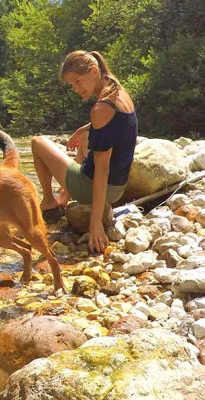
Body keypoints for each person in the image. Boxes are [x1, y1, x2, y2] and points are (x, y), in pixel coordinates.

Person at [31, 50, 138, 253]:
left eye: (78, 81)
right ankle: (64, 196)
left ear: (94, 71)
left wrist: (95, 223)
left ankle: (49, 200)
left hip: (93, 187)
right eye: (71, 85)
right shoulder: (117, 90)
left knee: (38, 142)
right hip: (119, 186)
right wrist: (84, 129)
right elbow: (116, 124)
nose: (75, 88)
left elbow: (101, 171)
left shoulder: (100, 109)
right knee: (88, 137)